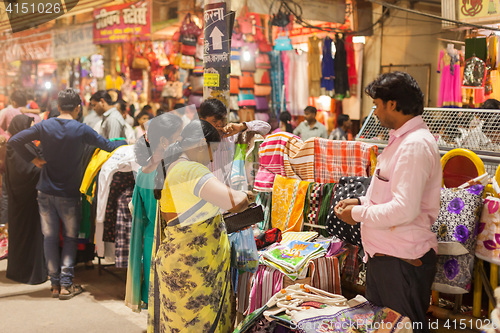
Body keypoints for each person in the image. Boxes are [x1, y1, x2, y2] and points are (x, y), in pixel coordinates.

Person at [334, 72, 441, 333]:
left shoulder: (414, 145)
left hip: (402, 262)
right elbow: (391, 193)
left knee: (403, 329)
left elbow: (404, 209)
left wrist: (358, 213)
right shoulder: (401, 141)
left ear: (392, 104)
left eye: (377, 104)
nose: (376, 111)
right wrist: (360, 200)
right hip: (387, 259)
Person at [9, 89, 125, 300]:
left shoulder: (45, 125)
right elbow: (108, 146)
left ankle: (54, 285)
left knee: (50, 238)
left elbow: (14, 140)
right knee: (70, 239)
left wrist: (33, 159)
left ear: (59, 106)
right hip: (69, 194)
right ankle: (65, 284)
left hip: (44, 192)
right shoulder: (81, 129)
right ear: (78, 108)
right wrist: (127, 143)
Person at [148, 120, 252, 332]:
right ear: (202, 144)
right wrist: (247, 196)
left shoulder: (174, 166)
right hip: (194, 272)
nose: (213, 157)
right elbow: (236, 203)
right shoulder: (190, 171)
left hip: (179, 264)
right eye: (213, 149)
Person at [125, 113, 183, 312]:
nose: (182, 140)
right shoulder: (176, 170)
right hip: (171, 242)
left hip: (150, 242)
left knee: (155, 306)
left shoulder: (143, 171)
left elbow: (135, 209)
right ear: (165, 141)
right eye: (179, 136)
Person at [5, 114, 47, 285]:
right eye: (29, 127)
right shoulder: (15, 147)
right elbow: (24, 173)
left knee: (29, 237)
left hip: (26, 200)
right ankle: (27, 273)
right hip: (24, 201)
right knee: (27, 237)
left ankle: (27, 271)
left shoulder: (20, 145)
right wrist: (45, 167)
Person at [199, 98, 271, 186]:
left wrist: (241, 126)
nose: (220, 124)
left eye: (222, 120)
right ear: (202, 120)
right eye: (214, 121)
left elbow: (265, 127)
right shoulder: (197, 142)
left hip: (228, 193)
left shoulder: (231, 137)